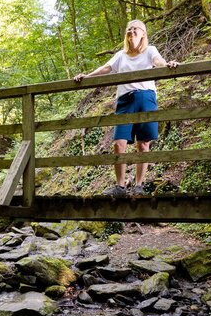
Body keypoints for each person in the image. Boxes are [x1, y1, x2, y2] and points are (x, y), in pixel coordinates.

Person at [73, 19, 179, 196]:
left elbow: (158, 60)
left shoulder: (149, 50)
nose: (131, 31)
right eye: (129, 29)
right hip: (125, 100)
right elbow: (106, 68)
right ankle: (120, 186)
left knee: (143, 144)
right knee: (119, 143)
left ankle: (139, 185)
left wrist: (167, 64)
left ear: (143, 33)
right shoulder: (121, 55)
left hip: (146, 97)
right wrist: (87, 76)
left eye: (135, 29)